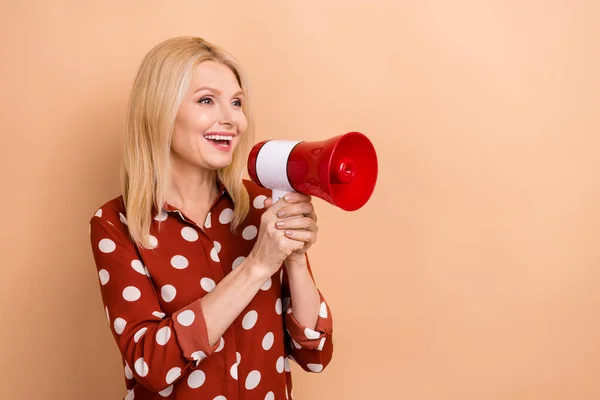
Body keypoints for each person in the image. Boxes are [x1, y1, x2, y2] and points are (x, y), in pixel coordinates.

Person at [88, 36, 334, 400]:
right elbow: (152, 366)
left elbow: (315, 353)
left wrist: (295, 260)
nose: (232, 119)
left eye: (237, 103)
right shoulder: (116, 223)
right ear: (160, 111)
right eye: (207, 100)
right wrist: (256, 267)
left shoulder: (263, 205)